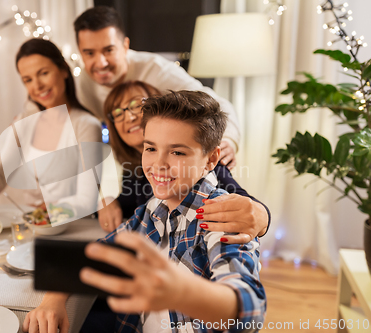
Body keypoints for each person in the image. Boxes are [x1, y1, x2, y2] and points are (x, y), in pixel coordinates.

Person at [23, 90, 266, 333]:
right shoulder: (152, 210)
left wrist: (182, 292)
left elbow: (249, 311)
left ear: (211, 160)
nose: (158, 164)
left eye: (177, 152)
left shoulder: (221, 215)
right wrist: (53, 298)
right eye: (150, 149)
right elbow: (98, 253)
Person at [99, 81, 269, 244]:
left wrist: (262, 215)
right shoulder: (136, 169)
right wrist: (107, 201)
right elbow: (130, 205)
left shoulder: (201, 164)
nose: (129, 116)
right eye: (118, 113)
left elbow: (244, 204)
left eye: (136, 105)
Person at [74, 6, 239, 168]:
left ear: (125, 46)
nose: (101, 63)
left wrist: (228, 141)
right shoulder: (83, 86)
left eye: (108, 50)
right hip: (133, 167)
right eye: (89, 53)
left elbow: (217, 104)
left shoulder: (157, 70)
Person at [0, 38, 102, 209]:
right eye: (28, 80)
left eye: (43, 73)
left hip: (72, 229)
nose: (37, 86)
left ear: (64, 70)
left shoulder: (86, 125)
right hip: (34, 227)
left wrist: (44, 212)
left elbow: (88, 198)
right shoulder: (24, 123)